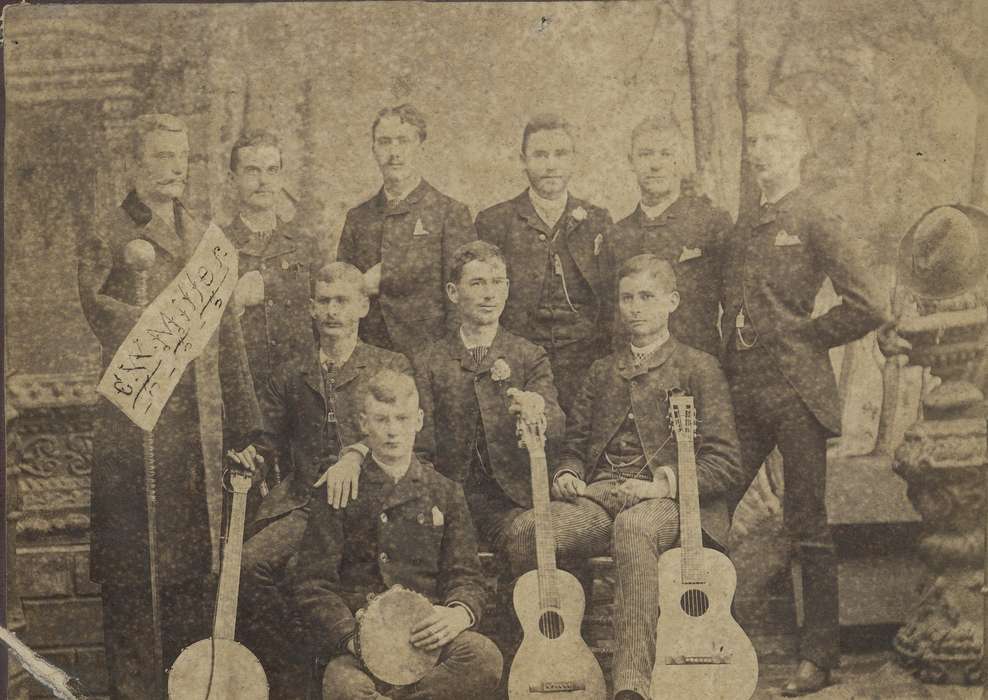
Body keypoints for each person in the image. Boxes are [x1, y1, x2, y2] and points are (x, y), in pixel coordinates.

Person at [77, 113, 261, 699]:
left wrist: (246, 426)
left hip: (197, 435)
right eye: (161, 156)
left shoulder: (207, 235)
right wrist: (157, 324)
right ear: (135, 163)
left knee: (192, 570)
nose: (175, 168)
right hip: (137, 428)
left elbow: (227, 333)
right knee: (134, 572)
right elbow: (98, 309)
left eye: (181, 157)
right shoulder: (109, 232)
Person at [506, 254, 745, 700]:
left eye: (647, 297)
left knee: (633, 528)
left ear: (672, 302)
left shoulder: (698, 367)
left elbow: (726, 462)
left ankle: (631, 685)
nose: (635, 307)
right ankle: (553, 664)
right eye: (626, 298)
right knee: (527, 531)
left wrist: (661, 485)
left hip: (669, 504)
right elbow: (574, 445)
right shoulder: (602, 371)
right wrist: (567, 474)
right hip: (600, 498)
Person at [720, 102, 887, 695]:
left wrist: (809, 337)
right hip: (743, 391)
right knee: (711, 500)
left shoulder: (815, 214)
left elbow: (868, 303)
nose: (762, 151)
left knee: (806, 521)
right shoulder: (745, 223)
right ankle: (707, 636)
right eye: (754, 140)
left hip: (796, 391)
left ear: (799, 146)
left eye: (774, 139)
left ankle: (818, 656)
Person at [317, 240, 565, 566]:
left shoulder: (528, 356)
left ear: (507, 289)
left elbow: (556, 422)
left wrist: (537, 410)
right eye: (477, 283)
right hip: (445, 496)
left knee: (527, 539)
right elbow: (419, 445)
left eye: (496, 283)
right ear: (452, 292)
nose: (489, 294)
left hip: (511, 502)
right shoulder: (428, 360)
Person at [238, 262, 412, 697]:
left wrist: (355, 453)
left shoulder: (388, 364)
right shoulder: (291, 372)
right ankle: (296, 674)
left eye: (343, 301)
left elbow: (407, 438)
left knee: (319, 575)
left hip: (371, 505)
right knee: (247, 565)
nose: (333, 311)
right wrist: (249, 459)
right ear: (312, 309)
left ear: (363, 306)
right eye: (325, 301)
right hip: (304, 504)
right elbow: (266, 440)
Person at [291, 370, 503, 700]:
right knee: (343, 686)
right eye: (381, 420)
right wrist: (353, 638)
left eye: (402, 419)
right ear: (364, 423)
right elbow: (313, 584)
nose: (392, 431)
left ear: (418, 420)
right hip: (361, 643)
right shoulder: (341, 489)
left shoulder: (444, 491)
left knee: (483, 658)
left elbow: (466, 576)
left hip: (426, 639)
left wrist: (458, 613)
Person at [475, 113, 615, 412]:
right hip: (520, 359)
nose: (551, 164)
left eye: (560, 154)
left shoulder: (597, 220)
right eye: (540, 155)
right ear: (523, 160)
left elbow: (609, 300)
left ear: (574, 160)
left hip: (586, 360)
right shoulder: (495, 221)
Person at [336, 104, 476, 356]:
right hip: (369, 353)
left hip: (430, 355)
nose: (394, 153)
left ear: (421, 149)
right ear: (374, 150)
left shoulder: (449, 213)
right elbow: (342, 292)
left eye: (404, 141)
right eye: (385, 142)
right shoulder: (358, 217)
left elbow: (462, 300)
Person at [611, 116, 732, 357]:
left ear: (681, 160)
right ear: (630, 161)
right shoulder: (617, 233)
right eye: (645, 154)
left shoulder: (711, 223)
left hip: (696, 368)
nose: (655, 165)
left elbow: (734, 305)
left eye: (666, 154)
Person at [227, 130, 322, 395]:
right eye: (252, 171)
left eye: (272, 170)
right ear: (232, 179)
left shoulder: (305, 245)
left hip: (300, 388)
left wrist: (270, 284)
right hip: (242, 390)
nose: (263, 181)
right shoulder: (216, 246)